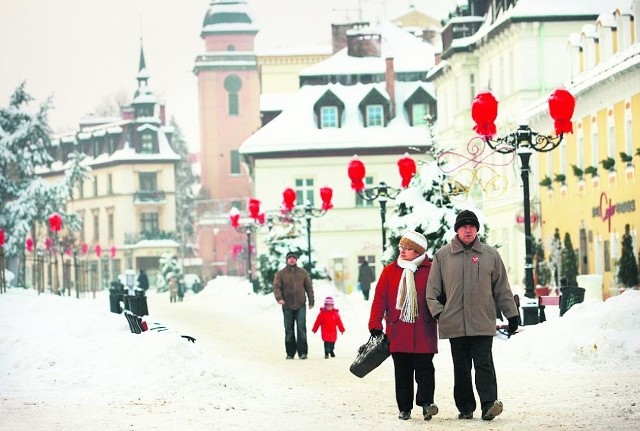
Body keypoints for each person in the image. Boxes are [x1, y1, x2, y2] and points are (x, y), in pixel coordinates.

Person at [426, 209, 519, 422]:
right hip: (455, 322)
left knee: (484, 363)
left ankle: (489, 405)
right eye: (463, 226)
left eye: (471, 226)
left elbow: (502, 289)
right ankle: (465, 407)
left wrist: (511, 315)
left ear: (477, 229)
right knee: (461, 367)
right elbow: (432, 291)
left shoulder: (490, 255)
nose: (468, 230)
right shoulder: (443, 256)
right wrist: (441, 314)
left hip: (482, 320)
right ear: (457, 230)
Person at [368, 230, 439, 421]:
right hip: (398, 329)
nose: (403, 251)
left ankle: (426, 404)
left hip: (424, 329)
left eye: (408, 248)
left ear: (418, 252)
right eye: (401, 247)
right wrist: (375, 324)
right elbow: (379, 299)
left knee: (425, 369)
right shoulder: (390, 271)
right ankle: (404, 407)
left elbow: (440, 297)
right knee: (402, 371)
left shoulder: (432, 270)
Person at [273, 251, 315, 360]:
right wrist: (279, 298)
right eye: (290, 258)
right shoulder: (280, 273)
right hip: (287, 305)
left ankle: (303, 352)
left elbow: (309, 287)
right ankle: (290, 353)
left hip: (300, 304)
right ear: (286, 260)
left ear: (296, 260)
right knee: (289, 330)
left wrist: (311, 301)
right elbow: (276, 287)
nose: (292, 259)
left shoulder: (303, 273)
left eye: (293, 258)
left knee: (301, 328)